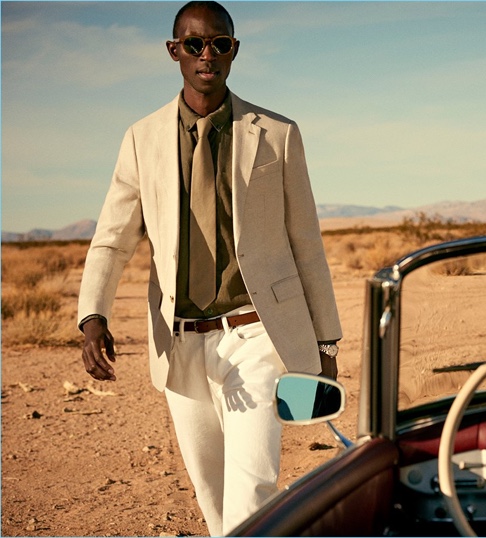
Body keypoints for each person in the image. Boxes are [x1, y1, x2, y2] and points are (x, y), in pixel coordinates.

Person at [77, 2, 342, 535]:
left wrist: (326, 345)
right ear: (174, 52)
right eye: (194, 44)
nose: (207, 55)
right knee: (212, 494)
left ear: (234, 51)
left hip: (257, 334)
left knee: (254, 487)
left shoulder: (277, 133)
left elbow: (306, 244)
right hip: (179, 342)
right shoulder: (141, 138)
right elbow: (112, 239)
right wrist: (92, 317)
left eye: (219, 43)